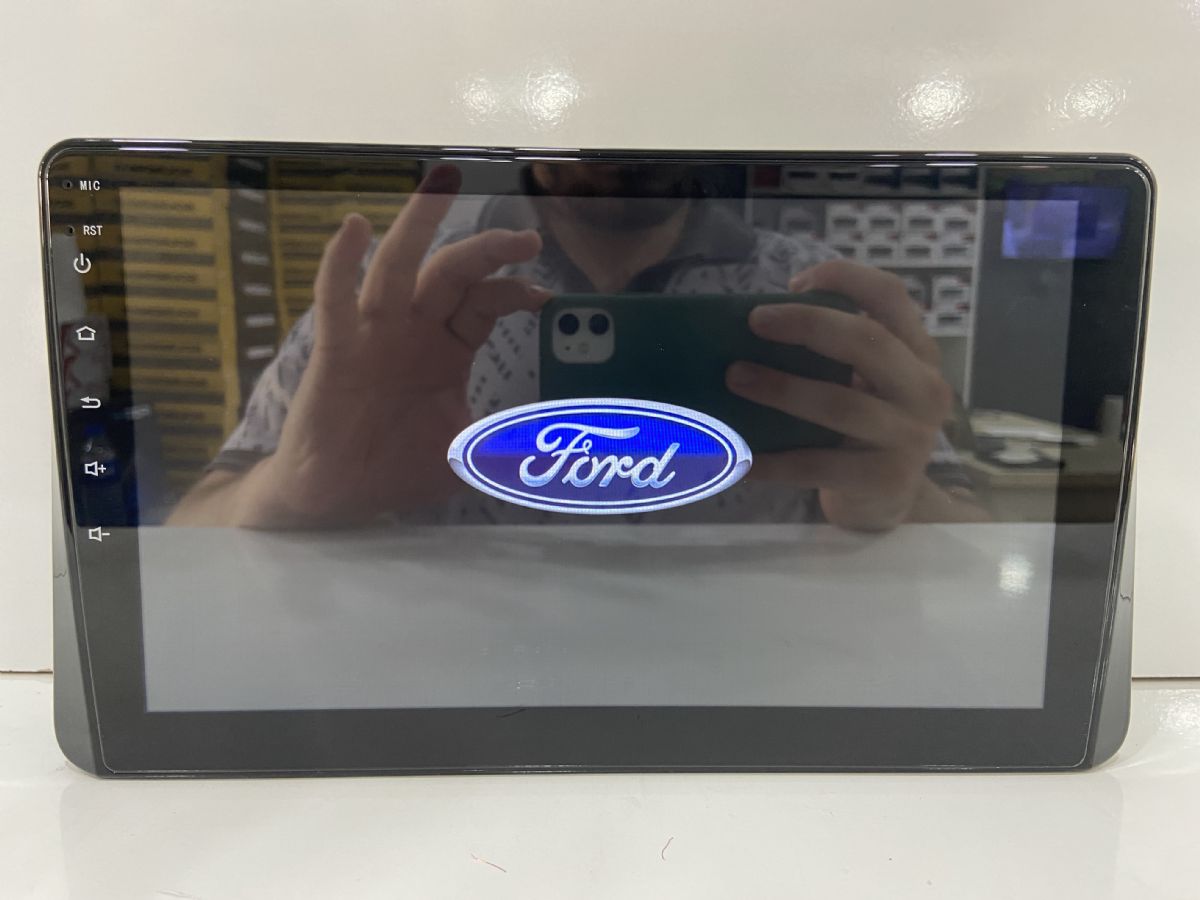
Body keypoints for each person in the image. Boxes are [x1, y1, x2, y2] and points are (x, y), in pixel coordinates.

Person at [168, 162, 986, 531]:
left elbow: (985, 537)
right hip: (456, 728)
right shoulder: (398, 299)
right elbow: (193, 523)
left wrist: (899, 503)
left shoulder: (812, 292)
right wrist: (288, 495)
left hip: (755, 714)